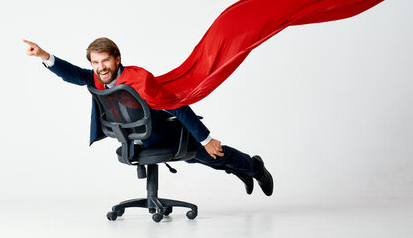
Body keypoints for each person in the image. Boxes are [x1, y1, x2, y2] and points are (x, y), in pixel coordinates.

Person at [23, 37, 273, 196]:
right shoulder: (98, 79)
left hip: (168, 132)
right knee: (202, 160)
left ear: (117, 59)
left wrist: (206, 139)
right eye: (96, 62)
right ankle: (240, 170)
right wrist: (44, 55)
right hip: (138, 139)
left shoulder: (138, 79)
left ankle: (255, 168)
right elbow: (72, 74)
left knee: (212, 154)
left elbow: (176, 106)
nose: (100, 67)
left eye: (105, 61)